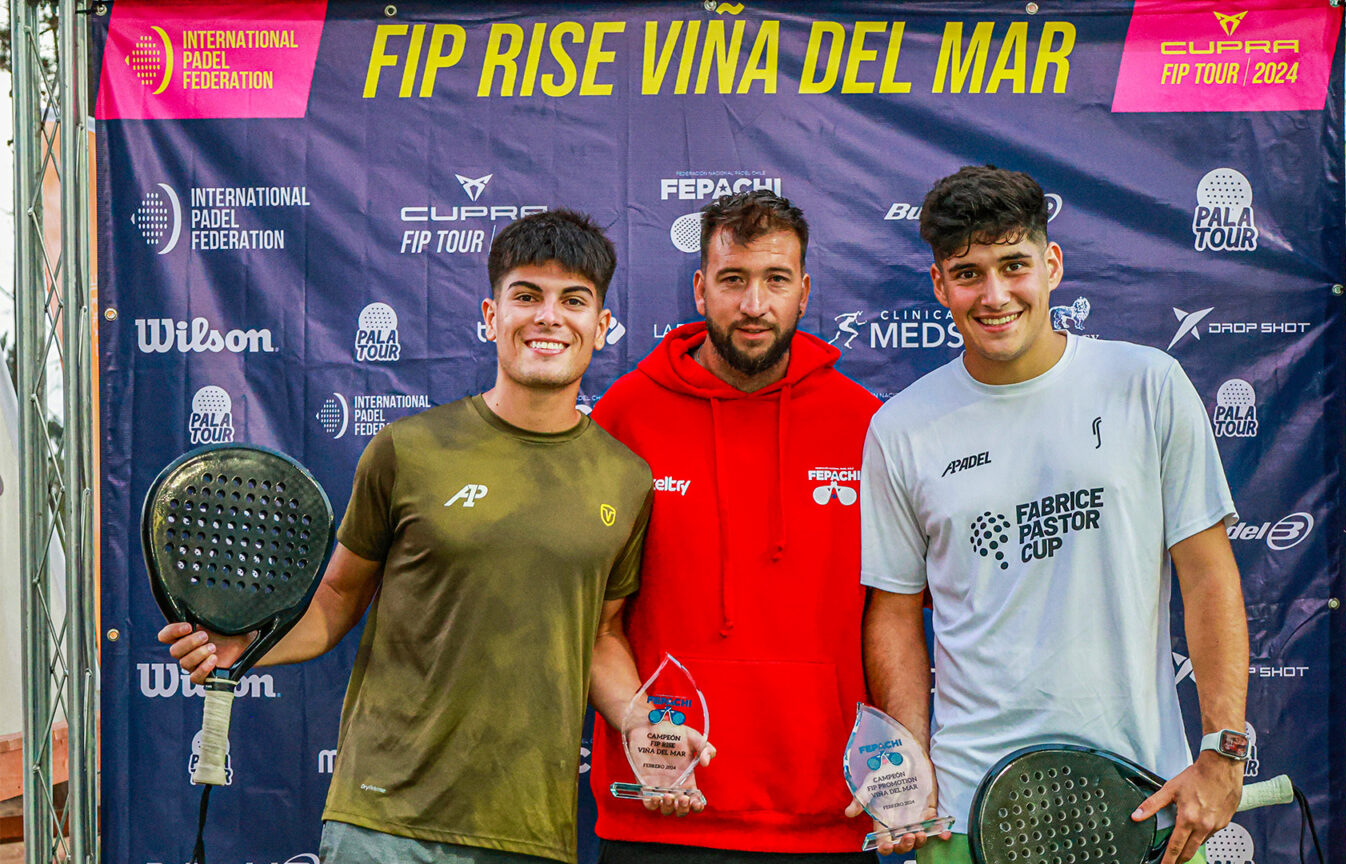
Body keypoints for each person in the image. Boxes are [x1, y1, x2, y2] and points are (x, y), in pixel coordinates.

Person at [159, 210, 654, 864]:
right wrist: (248, 647)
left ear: (602, 324)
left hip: (530, 830)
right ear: (491, 315)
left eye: (573, 300)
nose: (548, 317)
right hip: (384, 825)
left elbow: (602, 635)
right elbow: (339, 598)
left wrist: (644, 727)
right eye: (527, 295)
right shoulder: (407, 448)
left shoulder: (626, 479)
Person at [858, 165, 1250, 864]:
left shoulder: (1147, 385)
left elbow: (1209, 577)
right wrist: (908, 769)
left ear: (1052, 265)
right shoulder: (901, 429)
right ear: (940, 285)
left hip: (1142, 802)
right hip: (965, 815)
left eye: (1014, 265)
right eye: (969, 273)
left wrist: (1223, 751)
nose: (995, 295)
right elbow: (893, 612)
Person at [587, 190, 884, 864]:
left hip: (826, 816)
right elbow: (590, 620)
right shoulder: (626, 416)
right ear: (700, 289)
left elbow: (891, 614)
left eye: (776, 280)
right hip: (661, 811)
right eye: (733, 280)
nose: (754, 304)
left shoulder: (862, 422)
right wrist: (643, 726)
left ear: (804, 292)